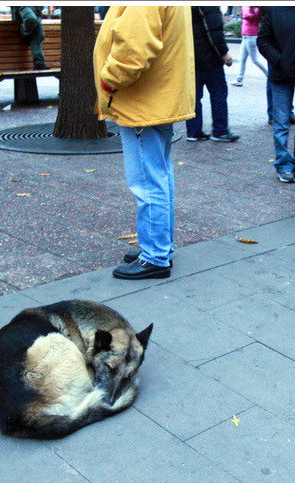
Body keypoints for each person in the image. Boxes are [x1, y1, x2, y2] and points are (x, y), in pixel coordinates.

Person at [93, 6, 195, 280]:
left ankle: (155, 256)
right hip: (155, 98)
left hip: (143, 102)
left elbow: (134, 47)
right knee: (159, 176)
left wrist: (109, 82)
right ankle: (159, 248)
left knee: (148, 182)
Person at [258, 6, 295, 183]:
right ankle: (283, 165)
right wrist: (279, 59)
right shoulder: (274, 10)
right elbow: (263, 40)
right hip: (282, 74)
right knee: (281, 124)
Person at [186, 6, 239, 143]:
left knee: (195, 97)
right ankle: (220, 130)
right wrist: (224, 53)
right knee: (218, 93)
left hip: (191, 57)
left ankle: (193, 131)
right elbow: (214, 30)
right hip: (210, 58)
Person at [230, 6, 267, 87]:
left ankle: (269, 76)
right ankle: (239, 79)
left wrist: (244, 6)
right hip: (246, 36)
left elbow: (246, 15)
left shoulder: (256, 10)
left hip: (251, 37)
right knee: (242, 59)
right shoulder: (249, 7)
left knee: (255, 60)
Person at [11, 6, 48, 70]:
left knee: (39, 36)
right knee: (31, 19)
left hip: (36, 9)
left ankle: (39, 63)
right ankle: (25, 33)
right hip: (24, 6)